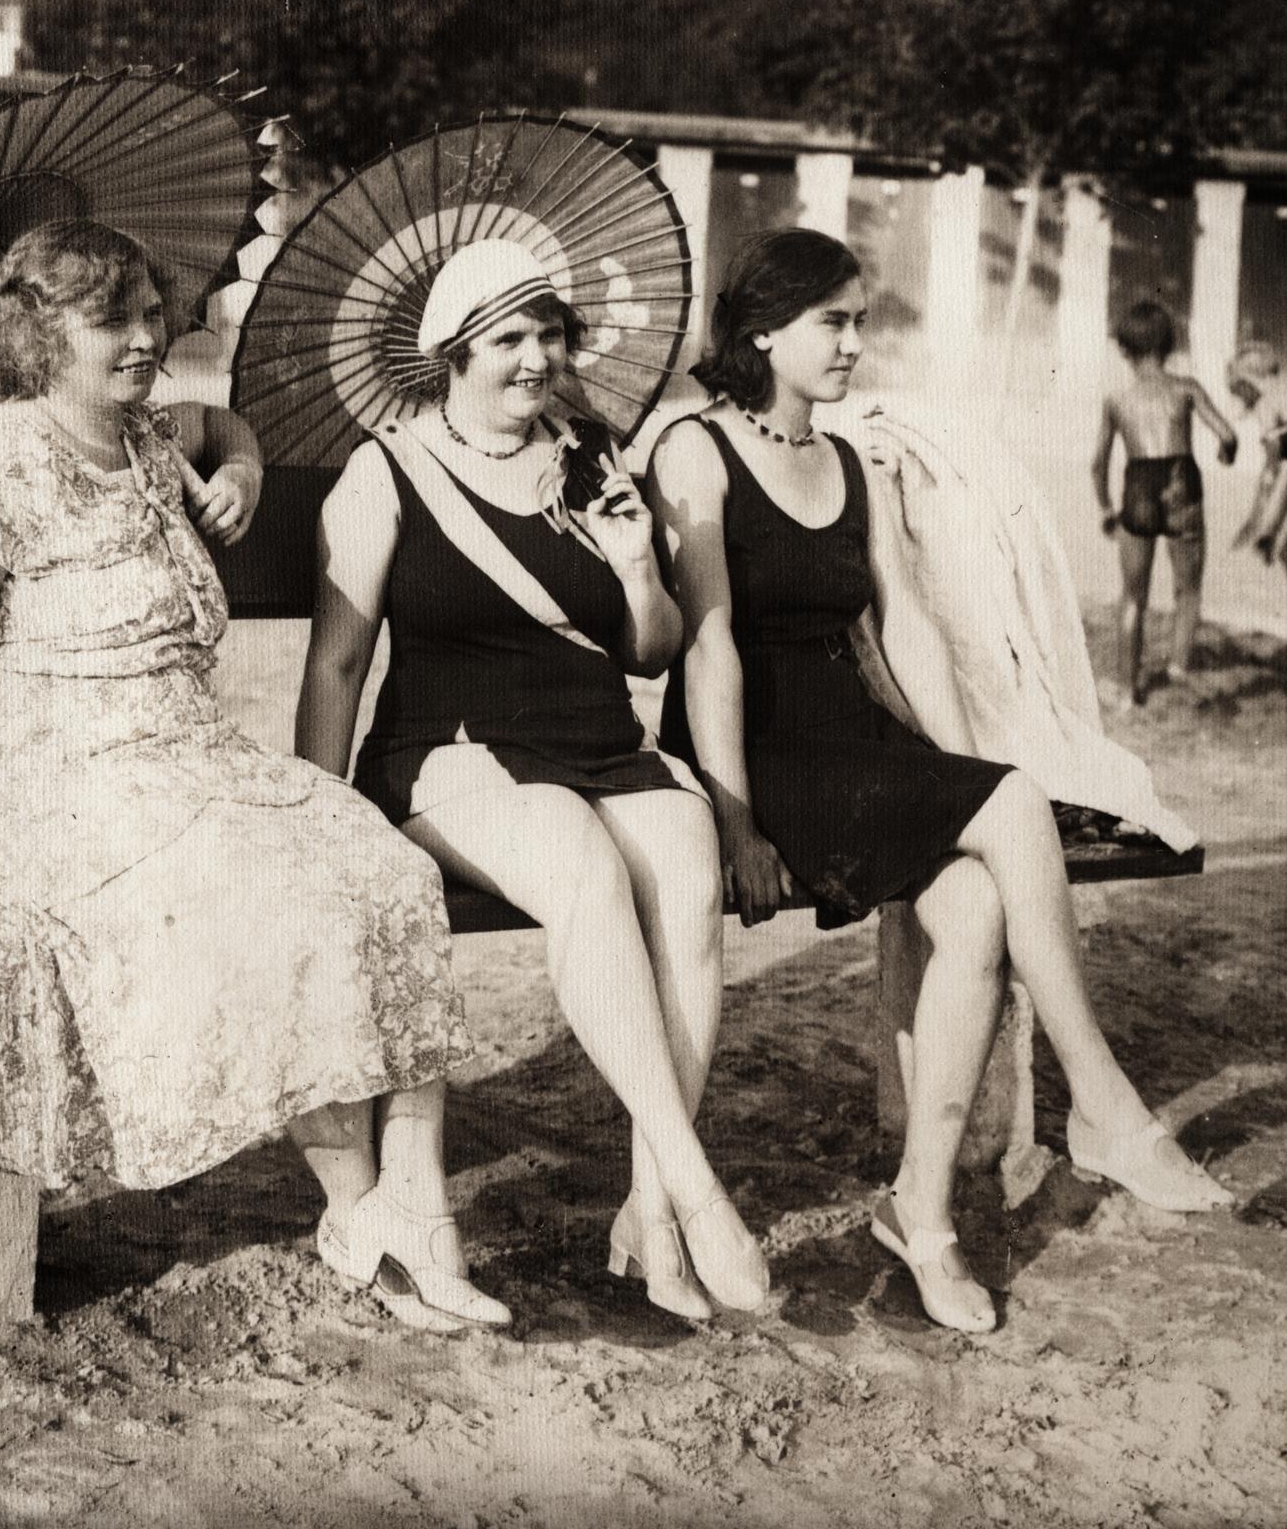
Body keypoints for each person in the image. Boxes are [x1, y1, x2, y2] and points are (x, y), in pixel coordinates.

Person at [0, 218, 508, 1334]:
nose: (147, 338)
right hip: (49, 774)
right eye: (114, 321)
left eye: (153, 314)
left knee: (379, 867)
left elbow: (216, 418)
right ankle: (358, 1206)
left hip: (183, 759)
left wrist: (239, 463)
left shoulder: (142, 434)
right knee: (274, 891)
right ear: (39, 336)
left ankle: (409, 1206)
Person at [647, 228, 1233, 1336]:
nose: (853, 345)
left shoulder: (851, 461)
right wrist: (732, 820)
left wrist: (962, 779)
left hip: (853, 742)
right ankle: (1103, 1104)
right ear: (761, 330)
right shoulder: (694, 450)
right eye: (832, 323)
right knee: (1008, 807)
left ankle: (918, 1212)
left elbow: (907, 626)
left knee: (972, 909)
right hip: (756, 751)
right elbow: (708, 647)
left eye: (859, 323)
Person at [296, 239, 769, 1320]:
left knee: (687, 872)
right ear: (452, 353)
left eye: (549, 334)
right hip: (455, 750)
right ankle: (696, 1188)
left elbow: (649, 652)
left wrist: (637, 565)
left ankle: (649, 1214)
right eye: (508, 338)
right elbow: (335, 663)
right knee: (585, 870)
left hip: (599, 738)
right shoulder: (388, 470)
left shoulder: (592, 457)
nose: (536, 358)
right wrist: (319, 818)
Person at [1091, 303, 1237, 709]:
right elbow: (1227, 435)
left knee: (1132, 595)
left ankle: (1126, 690)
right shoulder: (1186, 388)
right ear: (1169, 345)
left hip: (1138, 486)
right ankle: (1178, 669)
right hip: (1181, 483)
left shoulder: (1117, 399)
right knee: (1187, 589)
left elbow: (1098, 463)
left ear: (1124, 349)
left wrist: (1106, 509)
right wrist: (1227, 454)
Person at [1225, 340, 1287, 573]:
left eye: (1237, 391)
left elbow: (1273, 462)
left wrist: (1257, 518)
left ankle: (1267, 538)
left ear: (1248, 382)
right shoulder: (1282, 386)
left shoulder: (1267, 401)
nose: (1240, 400)